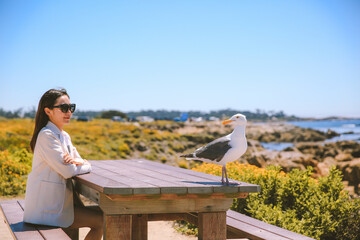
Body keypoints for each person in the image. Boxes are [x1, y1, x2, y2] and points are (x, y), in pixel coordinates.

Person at [24, 88, 103, 240]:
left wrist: (80, 163)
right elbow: (69, 171)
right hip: (47, 210)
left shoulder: (64, 136)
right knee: (102, 220)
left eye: (71, 107)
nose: (69, 112)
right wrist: (85, 164)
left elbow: (78, 161)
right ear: (48, 111)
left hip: (58, 204)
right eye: (64, 108)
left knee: (105, 214)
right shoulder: (47, 135)